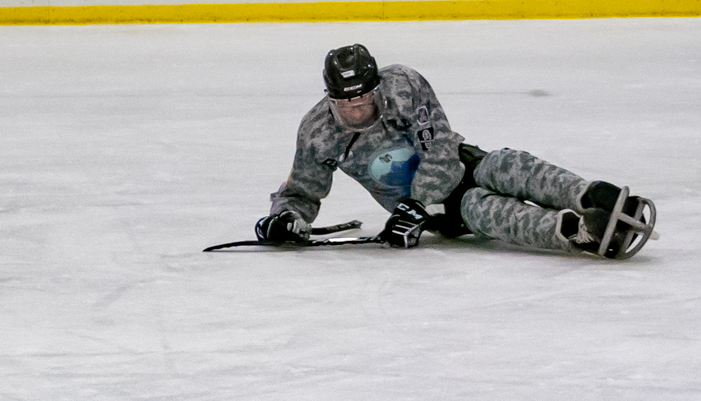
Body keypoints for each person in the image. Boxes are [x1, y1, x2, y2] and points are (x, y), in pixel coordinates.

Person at [253, 43, 656, 257]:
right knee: (486, 211)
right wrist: (284, 219)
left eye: (363, 100)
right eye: (345, 104)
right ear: (330, 99)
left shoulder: (403, 85)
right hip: (444, 212)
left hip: (457, 167)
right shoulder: (318, 132)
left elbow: (440, 146)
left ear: (376, 88)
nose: (356, 111)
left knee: (506, 164)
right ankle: (578, 232)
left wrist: (415, 203)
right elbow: (301, 191)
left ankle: (591, 194)